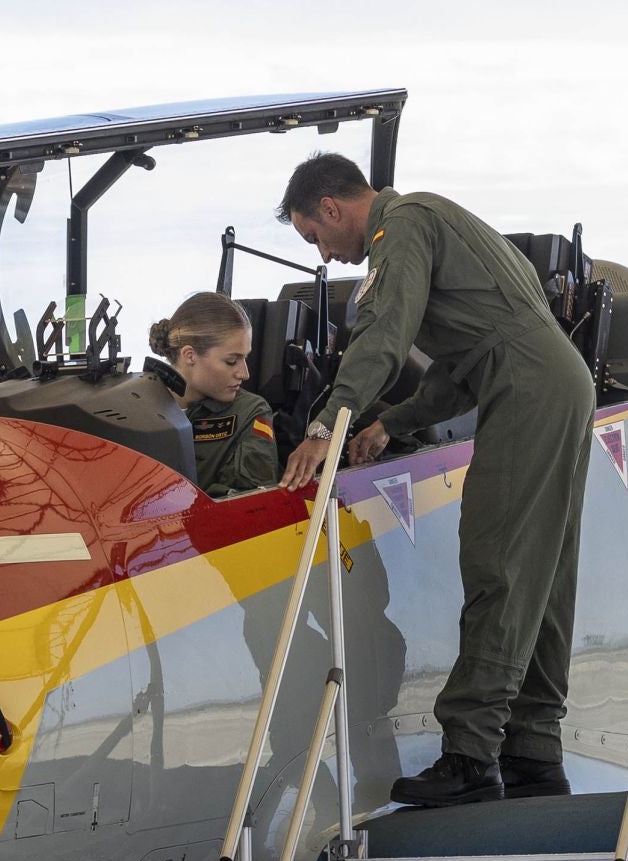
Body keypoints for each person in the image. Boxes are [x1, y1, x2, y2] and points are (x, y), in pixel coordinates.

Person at [275, 153, 595, 807]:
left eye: (316, 236)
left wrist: (326, 423)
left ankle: (470, 758)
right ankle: (534, 751)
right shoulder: (434, 221)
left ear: (332, 209)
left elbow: (384, 332)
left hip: (527, 389)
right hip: (551, 380)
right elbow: (469, 360)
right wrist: (392, 423)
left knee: (499, 563)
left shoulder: (405, 226)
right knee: (543, 574)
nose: (327, 256)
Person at [148, 293, 279, 498]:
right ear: (189, 355)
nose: (244, 373)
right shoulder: (136, 407)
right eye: (231, 361)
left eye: (245, 358)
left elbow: (247, 502)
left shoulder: (249, 413)